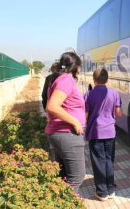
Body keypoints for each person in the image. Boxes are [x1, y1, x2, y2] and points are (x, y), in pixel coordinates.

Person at [45, 51, 86, 194]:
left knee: (64, 176)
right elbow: (52, 106)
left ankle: (61, 201)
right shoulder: (66, 80)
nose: (80, 71)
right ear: (75, 67)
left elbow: (47, 107)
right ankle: (66, 202)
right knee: (77, 176)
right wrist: (75, 121)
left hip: (60, 133)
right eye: (80, 67)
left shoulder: (56, 79)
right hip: (67, 134)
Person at [84, 68, 123, 201]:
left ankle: (102, 192)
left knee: (98, 162)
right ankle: (111, 189)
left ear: (93, 80)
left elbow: (85, 115)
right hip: (110, 132)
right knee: (109, 160)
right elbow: (119, 113)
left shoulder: (88, 94)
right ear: (107, 79)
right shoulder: (114, 93)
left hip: (95, 132)